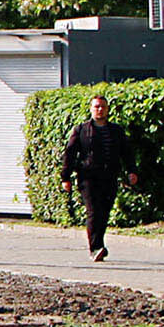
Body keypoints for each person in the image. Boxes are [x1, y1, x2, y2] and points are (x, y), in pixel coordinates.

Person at [59, 94, 139, 262]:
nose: (99, 110)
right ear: (91, 109)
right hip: (88, 177)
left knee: (104, 212)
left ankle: (99, 245)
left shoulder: (116, 131)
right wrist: (65, 177)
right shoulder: (81, 130)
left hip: (109, 176)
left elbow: (126, 152)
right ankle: (95, 248)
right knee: (93, 211)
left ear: (107, 109)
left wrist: (132, 171)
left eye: (102, 106)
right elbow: (70, 154)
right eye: (96, 106)